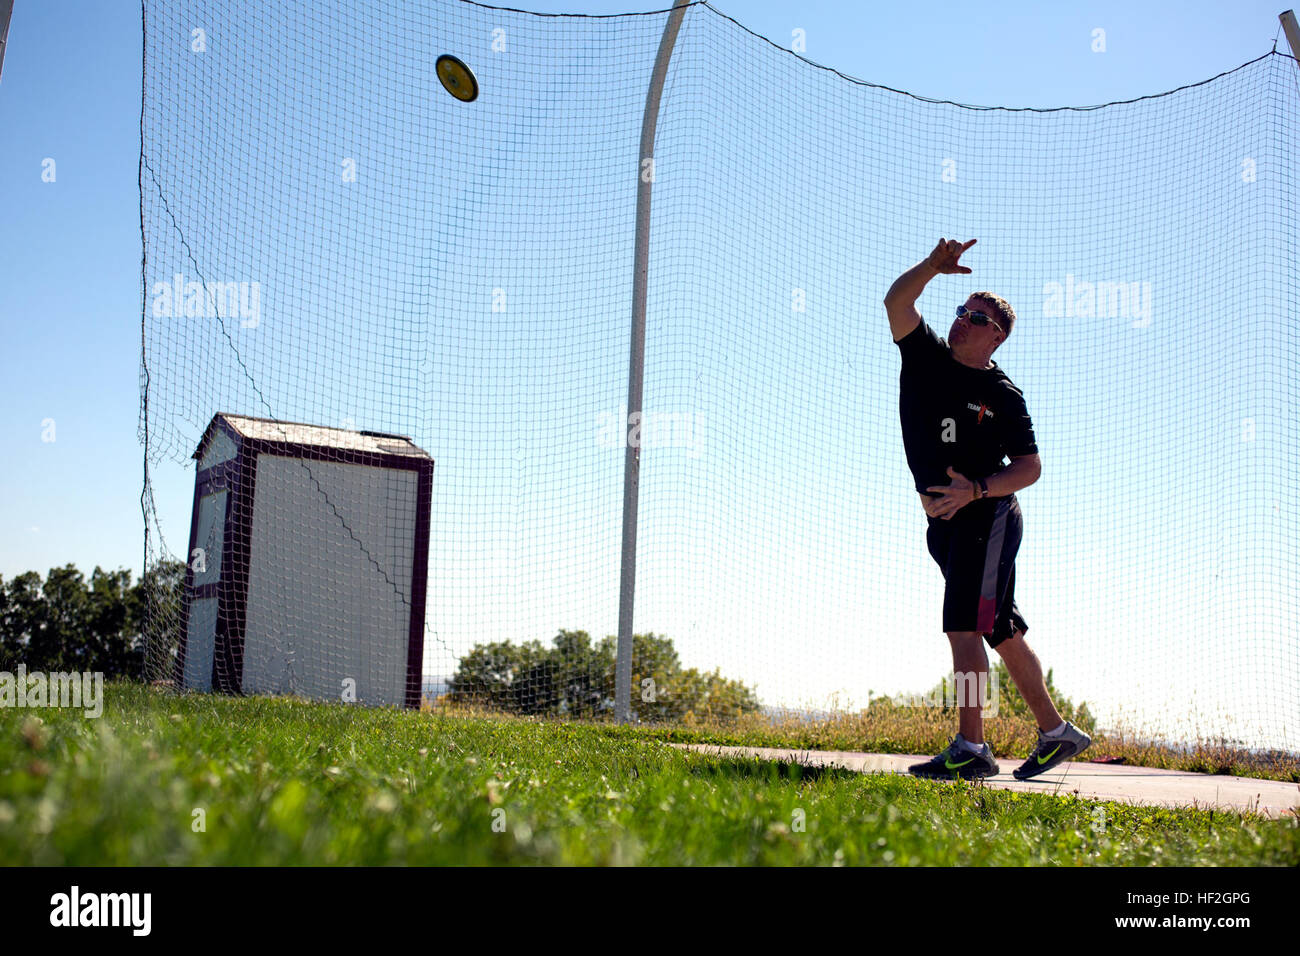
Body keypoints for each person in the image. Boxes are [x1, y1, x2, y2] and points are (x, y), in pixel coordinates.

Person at [883, 237, 1091, 781]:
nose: (961, 321)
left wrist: (975, 490)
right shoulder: (926, 355)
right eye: (960, 311)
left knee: (963, 630)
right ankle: (1057, 733)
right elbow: (896, 304)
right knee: (999, 629)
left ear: (996, 336)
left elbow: (1029, 468)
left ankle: (972, 749)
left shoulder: (1004, 394)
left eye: (975, 318)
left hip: (987, 518)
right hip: (943, 524)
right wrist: (932, 267)